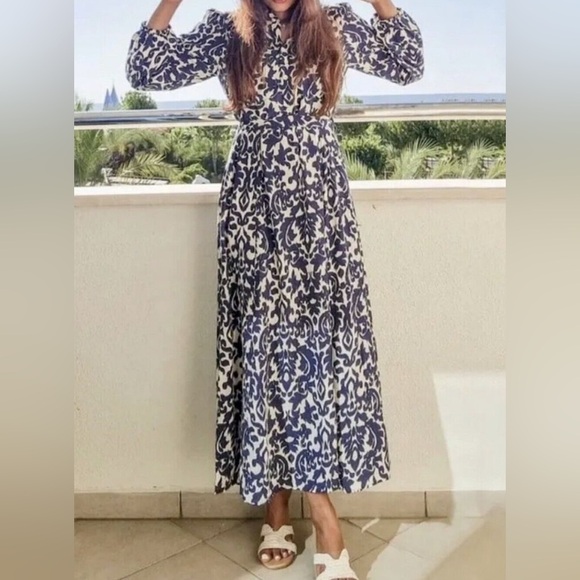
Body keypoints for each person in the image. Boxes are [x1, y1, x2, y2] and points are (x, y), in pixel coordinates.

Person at [126, 0, 423, 578]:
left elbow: (407, 62)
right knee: (265, 346)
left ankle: (294, 504)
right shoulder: (228, 31)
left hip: (320, 210)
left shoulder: (333, 23)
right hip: (253, 208)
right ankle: (296, 508)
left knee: (316, 349)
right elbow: (145, 68)